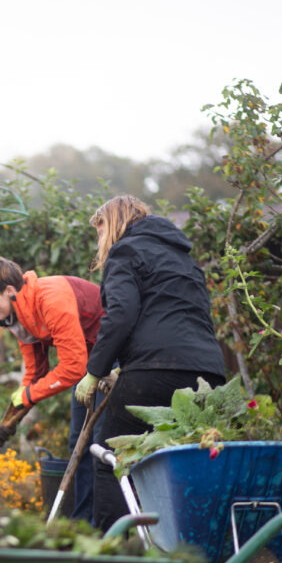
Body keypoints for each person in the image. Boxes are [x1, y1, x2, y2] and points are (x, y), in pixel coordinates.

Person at [75, 196, 225, 531]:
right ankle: (186, 551)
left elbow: (121, 316)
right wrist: (122, 368)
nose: (99, 242)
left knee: (111, 458)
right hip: (207, 373)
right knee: (183, 464)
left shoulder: (125, 252)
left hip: (156, 373)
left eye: (99, 232)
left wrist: (94, 371)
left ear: (112, 223)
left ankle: (115, 558)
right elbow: (168, 317)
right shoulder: (183, 259)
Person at [0, 256, 105, 522]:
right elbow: (34, 373)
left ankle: (107, 526)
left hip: (113, 357)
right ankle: (83, 527)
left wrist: (29, 394)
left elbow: (72, 368)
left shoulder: (50, 297)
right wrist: (17, 407)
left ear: (9, 291)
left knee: (98, 444)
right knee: (78, 443)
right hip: (88, 363)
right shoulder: (18, 317)